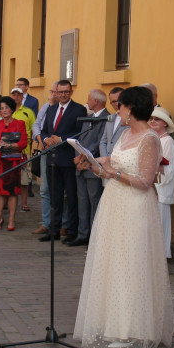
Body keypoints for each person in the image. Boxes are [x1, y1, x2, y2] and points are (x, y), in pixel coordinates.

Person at [72, 86, 173, 348]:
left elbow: (144, 180)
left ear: (132, 108)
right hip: (114, 203)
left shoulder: (150, 138)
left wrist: (113, 173)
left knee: (132, 263)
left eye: (121, 106)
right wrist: (92, 162)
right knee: (113, 261)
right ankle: (113, 323)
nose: (119, 110)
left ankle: (133, 328)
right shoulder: (126, 134)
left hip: (135, 206)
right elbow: (111, 161)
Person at [39, 80, 86, 242]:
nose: (63, 94)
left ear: (71, 92)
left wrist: (61, 139)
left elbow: (81, 132)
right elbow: (44, 130)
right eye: (60, 92)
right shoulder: (51, 110)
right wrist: (45, 139)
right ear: (56, 93)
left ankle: (72, 231)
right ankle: (54, 230)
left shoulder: (79, 109)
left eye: (66, 92)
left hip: (69, 158)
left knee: (71, 197)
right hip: (52, 158)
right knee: (55, 196)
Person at [70, 89, 109, 248]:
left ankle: (94, 236)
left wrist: (85, 157)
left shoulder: (106, 118)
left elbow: (100, 141)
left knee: (94, 200)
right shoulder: (88, 117)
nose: (87, 102)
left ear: (97, 100)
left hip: (93, 165)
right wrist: (78, 156)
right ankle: (82, 233)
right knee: (82, 200)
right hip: (81, 164)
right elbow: (80, 137)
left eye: (89, 99)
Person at [0, 96, 27, 231]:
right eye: (2, 108)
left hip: (13, 162)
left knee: (12, 192)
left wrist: (10, 144)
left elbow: (23, 143)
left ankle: (11, 220)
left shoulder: (19, 123)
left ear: (12, 109)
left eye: (7, 107)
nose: (4, 110)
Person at [149, 106, 174, 258]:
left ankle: (160, 256)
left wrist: (156, 184)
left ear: (165, 123)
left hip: (160, 190)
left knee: (160, 223)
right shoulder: (156, 140)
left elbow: (168, 169)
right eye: (152, 119)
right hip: (152, 187)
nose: (153, 121)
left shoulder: (167, 142)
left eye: (157, 119)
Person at [31, 87, 57, 235]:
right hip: (45, 150)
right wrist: (40, 138)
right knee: (44, 189)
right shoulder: (46, 107)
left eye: (56, 91)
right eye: (52, 91)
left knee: (61, 190)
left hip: (60, 152)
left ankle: (62, 223)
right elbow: (36, 125)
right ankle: (46, 223)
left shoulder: (69, 108)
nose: (53, 94)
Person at [10, 88, 36, 211]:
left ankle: (24, 203)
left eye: (18, 94)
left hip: (24, 150)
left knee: (25, 179)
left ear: (22, 96)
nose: (16, 97)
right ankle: (8, 202)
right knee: (9, 177)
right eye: (13, 94)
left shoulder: (28, 112)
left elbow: (33, 128)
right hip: (8, 150)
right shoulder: (7, 110)